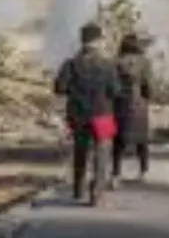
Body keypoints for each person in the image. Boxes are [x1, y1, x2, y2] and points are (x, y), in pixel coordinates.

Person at [53, 22, 118, 206]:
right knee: (102, 152)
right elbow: (115, 90)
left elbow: (59, 88)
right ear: (97, 41)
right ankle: (97, 192)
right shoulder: (108, 65)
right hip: (103, 114)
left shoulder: (70, 64)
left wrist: (74, 91)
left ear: (82, 41)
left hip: (78, 114)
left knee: (80, 150)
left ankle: (78, 189)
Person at [111, 33, 154, 185]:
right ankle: (143, 171)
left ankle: (116, 173)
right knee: (142, 140)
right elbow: (147, 85)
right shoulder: (144, 62)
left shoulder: (116, 62)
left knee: (118, 141)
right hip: (139, 105)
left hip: (120, 105)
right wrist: (147, 97)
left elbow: (112, 84)